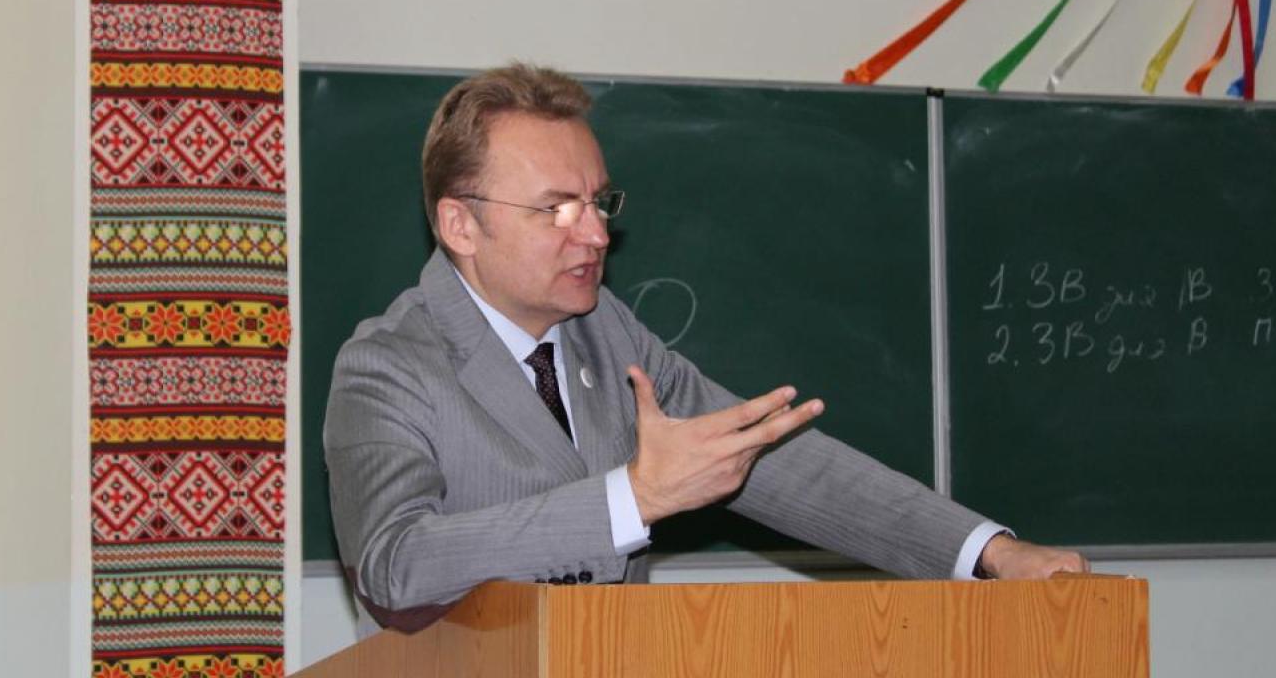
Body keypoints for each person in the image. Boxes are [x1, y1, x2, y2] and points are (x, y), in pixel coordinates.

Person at [324, 63, 1087, 635]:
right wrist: (631, 500)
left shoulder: (606, 331)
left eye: (598, 202)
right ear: (461, 226)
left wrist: (986, 551)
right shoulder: (387, 367)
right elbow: (395, 567)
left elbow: (772, 460)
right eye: (556, 209)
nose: (596, 234)